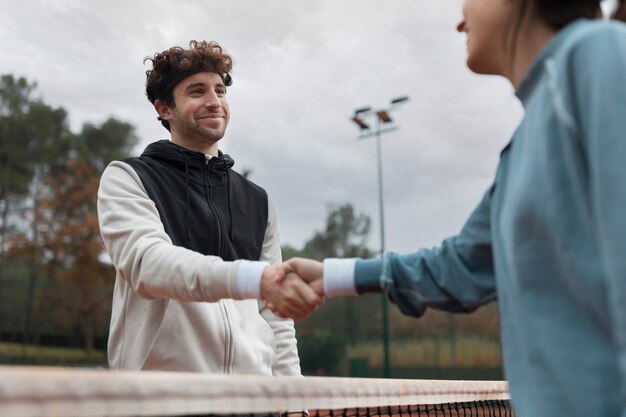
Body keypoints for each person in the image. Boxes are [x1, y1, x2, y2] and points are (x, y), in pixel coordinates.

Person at [270, 1, 626, 416]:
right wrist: (332, 275)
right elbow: (458, 266)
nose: (460, 22)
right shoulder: (520, 149)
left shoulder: (599, 53)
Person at [97, 40, 322, 374]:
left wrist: (291, 396)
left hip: (252, 401)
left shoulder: (258, 201)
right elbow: (148, 265)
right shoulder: (128, 178)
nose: (214, 102)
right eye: (197, 91)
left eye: (220, 90)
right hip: (162, 400)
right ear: (164, 109)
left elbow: (273, 312)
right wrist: (254, 279)